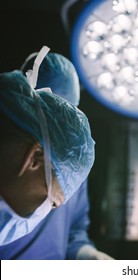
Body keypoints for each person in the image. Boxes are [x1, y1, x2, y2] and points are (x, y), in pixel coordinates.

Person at [0, 48, 110, 259]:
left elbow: (75, 229)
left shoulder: (70, 163)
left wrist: (86, 254)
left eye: (67, 115)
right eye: (50, 109)